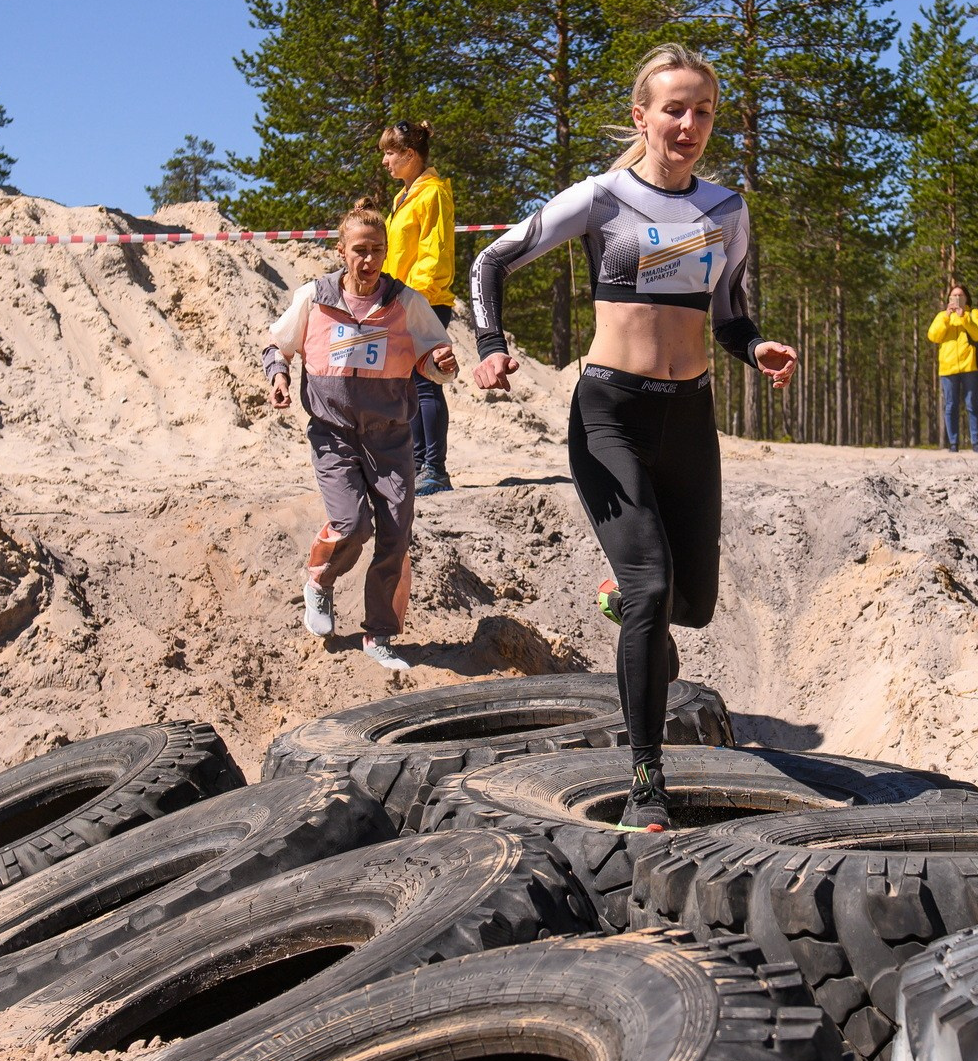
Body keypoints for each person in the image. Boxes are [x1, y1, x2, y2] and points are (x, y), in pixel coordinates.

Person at [469, 43, 799, 832]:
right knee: (654, 591)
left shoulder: (726, 210)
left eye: (703, 111)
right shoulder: (602, 198)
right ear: (641, 116)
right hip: (608, 415)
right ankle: (647, 777)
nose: (688, 124)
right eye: (673, 109)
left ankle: (631, 600)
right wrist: (488, 347)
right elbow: (489, 262)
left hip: (688, 418)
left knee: (694, 604)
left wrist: (756, 349)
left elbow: (730, 315)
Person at [265, 201, 458, 672]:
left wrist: (442, 365)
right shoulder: (314, 297)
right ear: (341, 251)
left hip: (391, 437)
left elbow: (431, 358)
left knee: (395, 533)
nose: (368, 261)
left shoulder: (406, 302)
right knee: (352, 524)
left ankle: (380, 635)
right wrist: (279, 375)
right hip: (333, 434)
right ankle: (320, 580)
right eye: (359, 251)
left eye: (377, 251)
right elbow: (279, 343)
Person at [381, 121, 457, 497]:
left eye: (390, 152)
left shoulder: (433, 194)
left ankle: (436, 469)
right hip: (402, 300)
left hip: (424, 301)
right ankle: (415, 462)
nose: (385, 161)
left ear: (410, 155)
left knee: (426, 385)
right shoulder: (404, 197)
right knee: (409, 386)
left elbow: (435, 253)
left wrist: (417, 300)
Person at [928, 283, 978, 452]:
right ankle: (953, 443)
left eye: (960, 296)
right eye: (953, 296)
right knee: (951, 405)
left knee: (972, 404)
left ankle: (976, 443)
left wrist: (964, 318)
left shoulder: (974, 314)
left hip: (970, 366)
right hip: (948, 368)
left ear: (966, 298)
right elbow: (933, 336)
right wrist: (947, 317)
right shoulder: (942, 316)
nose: (957, 299)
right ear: (948, 299)